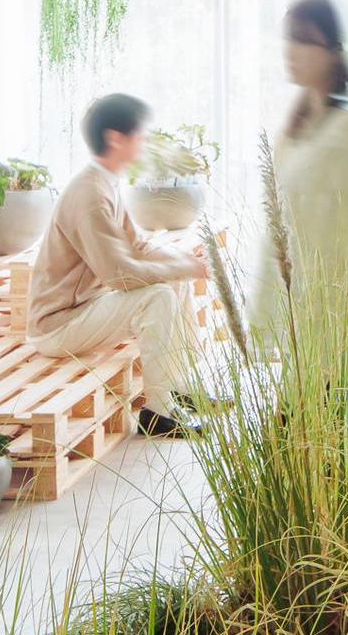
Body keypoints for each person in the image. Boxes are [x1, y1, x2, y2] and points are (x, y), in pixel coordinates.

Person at [29, 94, 212, 437]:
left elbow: (138, 245)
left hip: (87, 306)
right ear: (116, 139)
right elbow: (119, 275)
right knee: (158, 296)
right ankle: (158, 413)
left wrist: (185, 263)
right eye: (140, 135)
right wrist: (183, 268)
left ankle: (180, 388)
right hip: (59, 323)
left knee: (174, 282)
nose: (145, 142)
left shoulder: (104, 182)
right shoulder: (90, 195)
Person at [250, 0, 348, 346]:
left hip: (329, 309)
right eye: (288, 38)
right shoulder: (293, 127)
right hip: (292, 301)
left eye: (304, 39)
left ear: (333, 51)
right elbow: (277, 225)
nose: (290, 50)